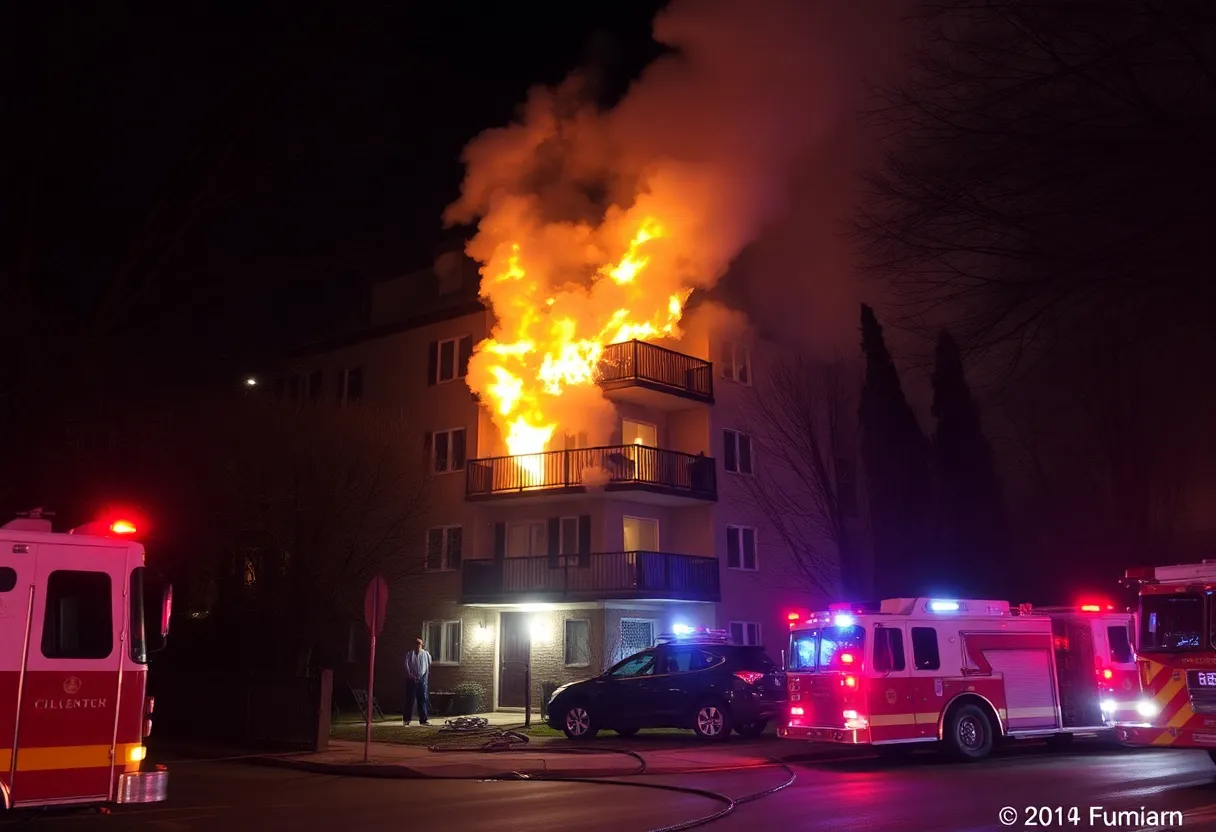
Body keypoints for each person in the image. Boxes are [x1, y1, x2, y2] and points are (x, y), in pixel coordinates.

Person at [403, 636, 431, 725]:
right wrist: (411, 676)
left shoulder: (426, 654)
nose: (417, 646)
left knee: (422, 699)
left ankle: (423, 720)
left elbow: (428, 665)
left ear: (422, 645)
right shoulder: (409, 654)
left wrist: (423, 677)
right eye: (416, 644)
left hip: (422, 679)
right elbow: (406, 666)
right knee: (410, 700)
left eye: (419, 644)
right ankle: (407, 720)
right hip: (411, 679)